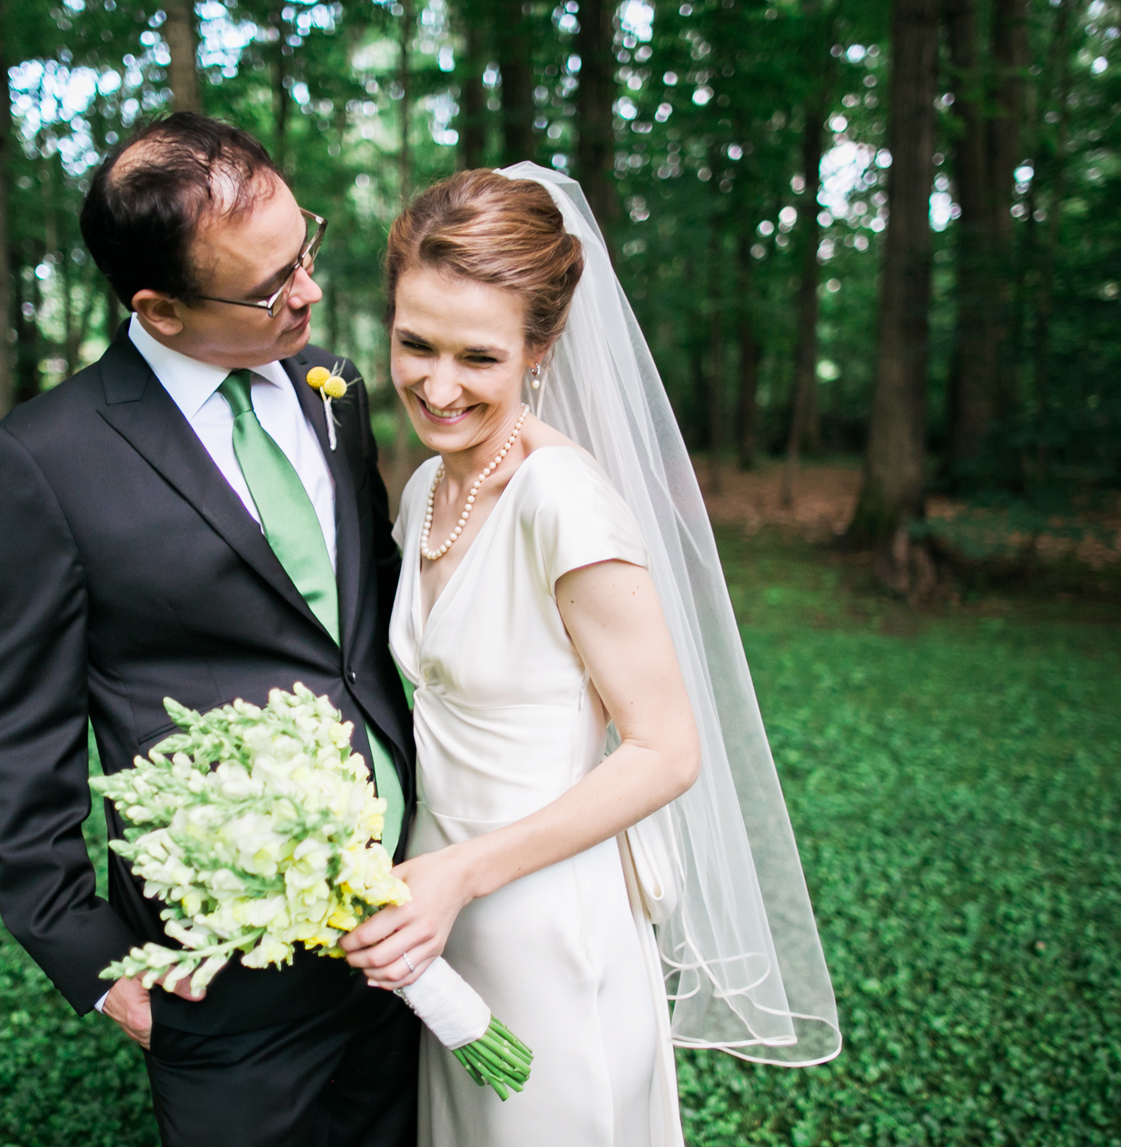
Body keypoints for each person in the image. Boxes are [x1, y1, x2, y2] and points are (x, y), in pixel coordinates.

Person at [340, 168, 842, 1145]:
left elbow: (664, 750)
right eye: (413, 344)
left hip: (544, 923)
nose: (437, 386)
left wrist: (462, 875)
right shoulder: (429, 488)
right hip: (441, 919)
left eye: (477, 357)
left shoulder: (563, 502)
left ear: (541, 348)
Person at [0, 113, 418, 1147]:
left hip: (407, 917)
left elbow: (365, 623)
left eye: (304, 247)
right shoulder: (42, 461)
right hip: (226, 962)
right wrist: (92, 962)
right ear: (157, 309)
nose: (304, 291)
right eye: (266, 287)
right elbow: (10, 734)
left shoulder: (329, 389)